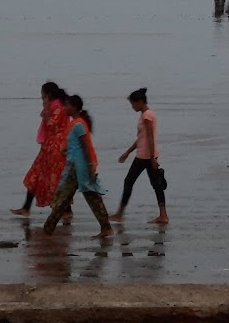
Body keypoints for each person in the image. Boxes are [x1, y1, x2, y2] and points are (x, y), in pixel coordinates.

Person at [42, 94, 112, 237]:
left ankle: (48, 229)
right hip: (75, 165)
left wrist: (90, 165)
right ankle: (106, 227)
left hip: (79, 167)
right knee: (84, 196)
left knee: (65, 197)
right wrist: (65, 150)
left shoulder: (79, 124)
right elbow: (77, 146)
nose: (64, 108)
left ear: (74, 107)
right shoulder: (76, 123)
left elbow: (86, 147)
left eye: (67, 105)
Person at [110, 88, 169, 226]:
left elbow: (149, 137)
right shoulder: (148, 114)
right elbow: (142, 138)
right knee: (156, 184)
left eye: (133, 104)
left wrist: (153, 157)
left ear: (140, 102)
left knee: (129, 181)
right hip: (147, 154)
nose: (132, 107)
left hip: (145, 156)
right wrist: (128, 152)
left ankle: (120, 214)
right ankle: (163, 215)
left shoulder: (146, 116)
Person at [13, 81, 69, 215]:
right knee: (35, 175)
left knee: (56, 179)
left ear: (48, 94)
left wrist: (47, 109)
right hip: (48, 147)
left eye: (43, 96)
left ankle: (67, 210)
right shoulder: (55, 107)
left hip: (56, 148)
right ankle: (26, 208)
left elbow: (51, 125)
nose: (41, 98)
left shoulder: (58, 108)